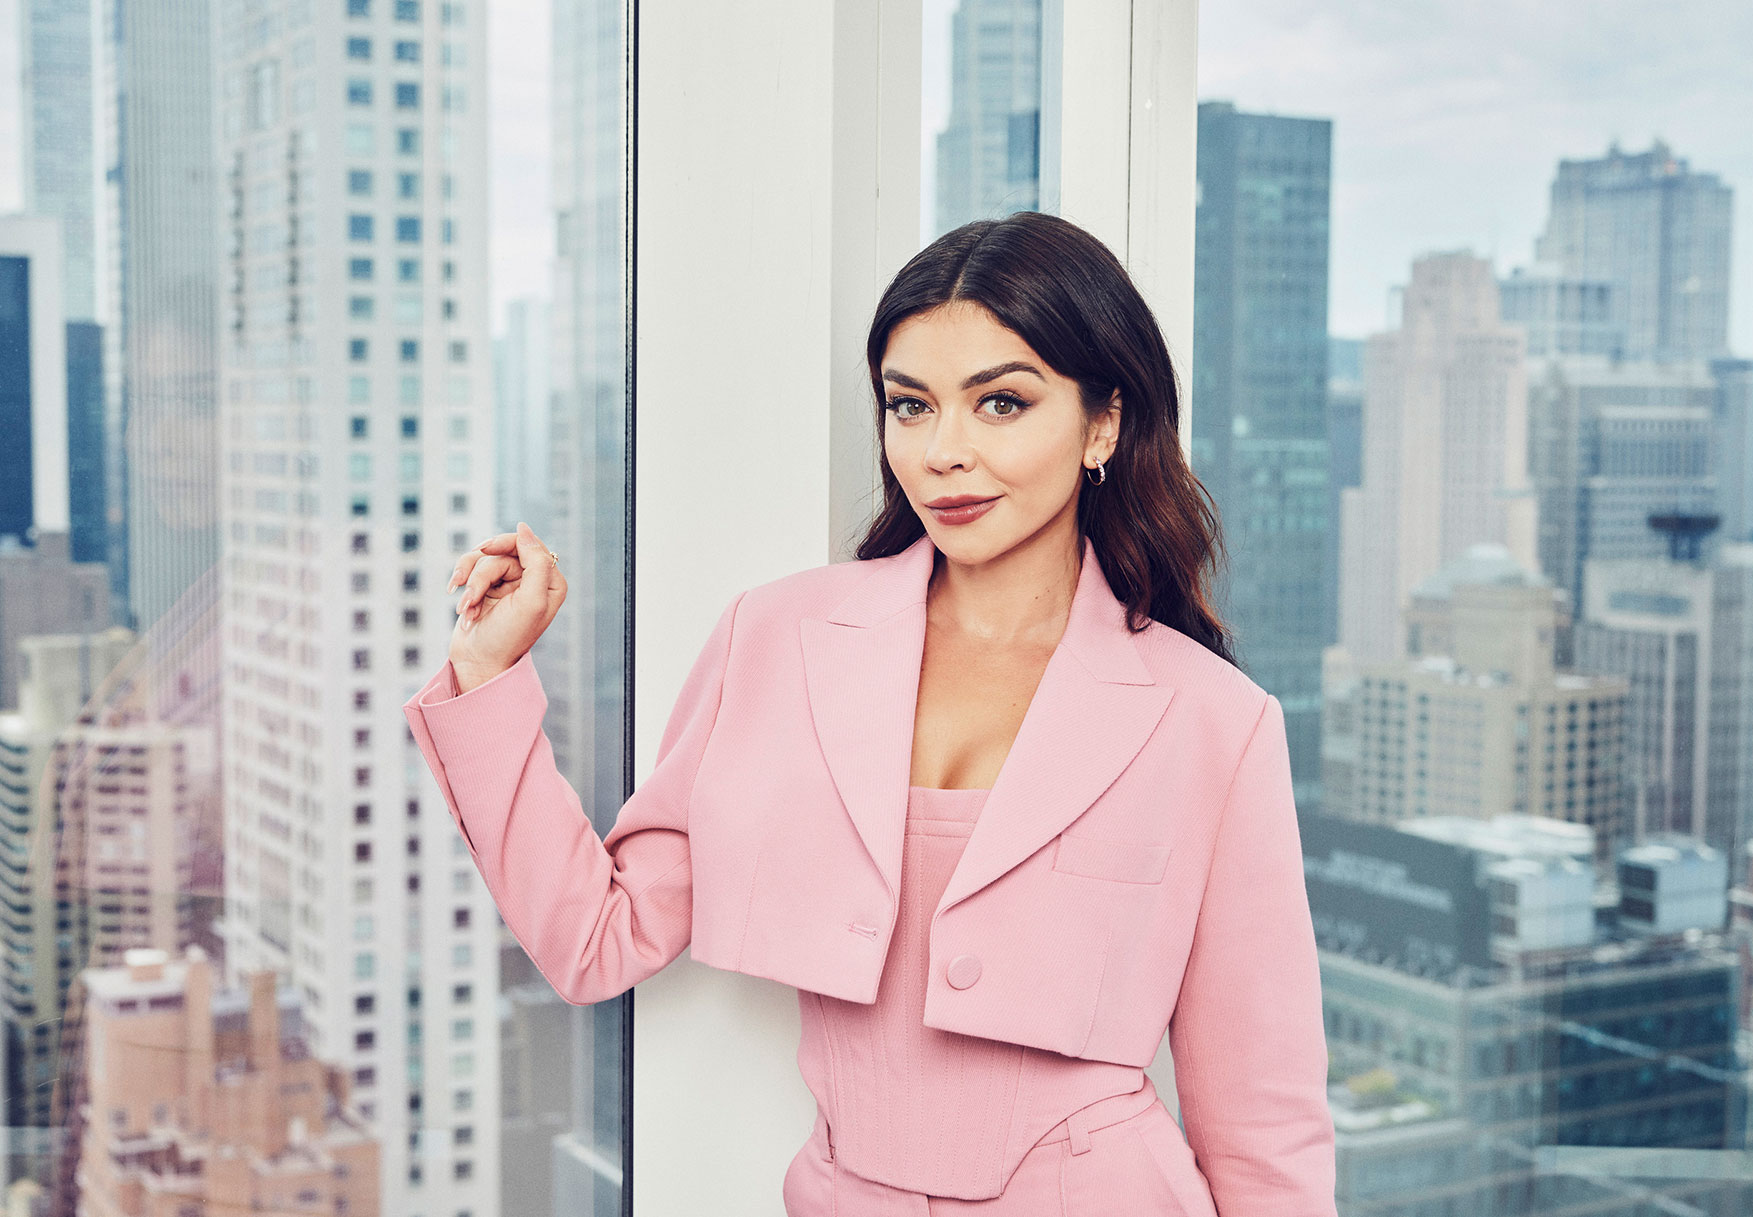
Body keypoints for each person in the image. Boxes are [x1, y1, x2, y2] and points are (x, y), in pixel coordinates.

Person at [403, 212, 1337, 1215]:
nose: (944, 451)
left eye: (1002, 404)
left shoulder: (1210, 718)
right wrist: (489, 676)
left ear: (1103, 422)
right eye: (910, 404)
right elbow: (598, 937)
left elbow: (1262, 1124)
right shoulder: (777, 637)